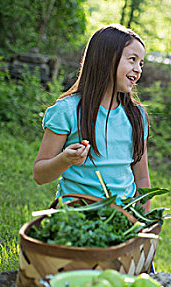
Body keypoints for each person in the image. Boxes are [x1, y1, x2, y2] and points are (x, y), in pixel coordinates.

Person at [33, 24, 150, 207]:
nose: (138, 69)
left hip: (120, 218)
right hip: (76, 217)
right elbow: (40, 175)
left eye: (141, 63)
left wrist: (143, 226)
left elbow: (142, 179)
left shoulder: (136, 116)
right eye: (132, 59)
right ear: (106, 59)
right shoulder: (67, 110)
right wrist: (65, 160)